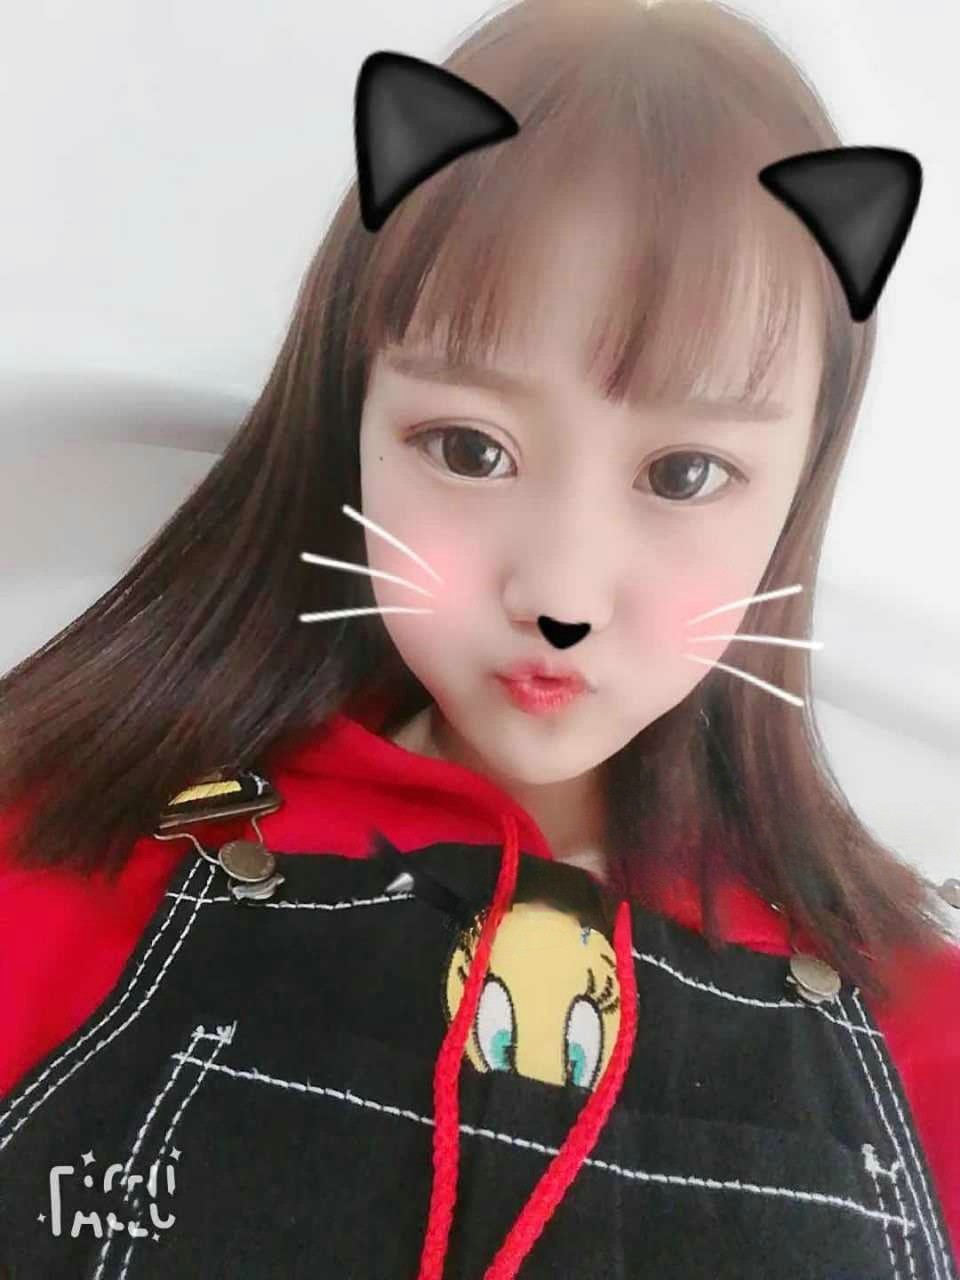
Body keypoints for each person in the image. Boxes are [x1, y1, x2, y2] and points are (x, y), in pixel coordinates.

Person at [0, 1, 957, 1276]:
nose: (560, 590)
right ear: (352, 414)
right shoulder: (60, 848)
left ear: (798, 493)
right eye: (468, 448)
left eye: (684, 473)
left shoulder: (925, 1023)